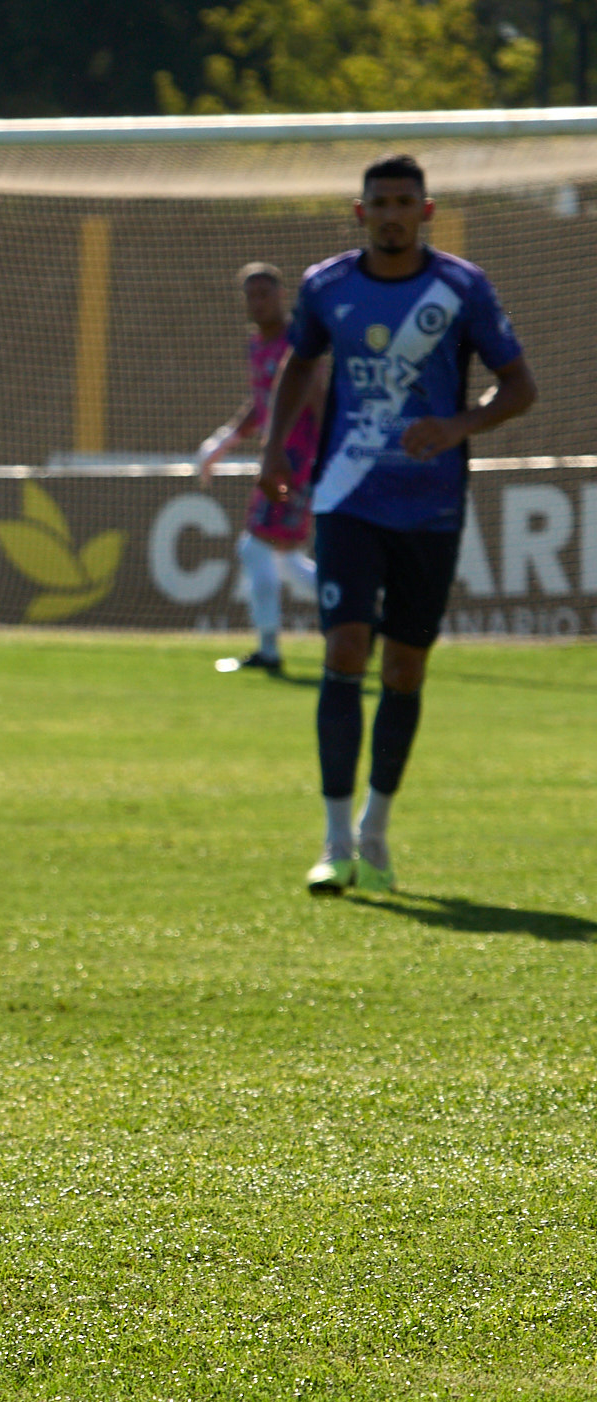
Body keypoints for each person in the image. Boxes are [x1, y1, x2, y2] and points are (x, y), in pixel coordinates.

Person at [257, 156, 536, 895]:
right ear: (358, 213)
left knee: (405, 668)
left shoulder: (462, 288)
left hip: (432, 504)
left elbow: (521, 385)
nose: (390, 213)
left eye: (403, 202)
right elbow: (298, 366)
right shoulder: (326, 286)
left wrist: (457, 425)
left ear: (427, 210)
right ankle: (332, 838)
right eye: (378, 201)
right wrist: (274, 453)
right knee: (347, 647)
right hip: (346, 494)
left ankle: (375, 834)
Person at [198, 262, 324, 674]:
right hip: (276, 466)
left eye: (264, 293)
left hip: (294, 466)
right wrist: (224, 441)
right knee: (284, 558)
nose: (257, 302)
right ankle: (362, 612)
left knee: (255, 548)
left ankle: (269, 652)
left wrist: (323, 458)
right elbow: (263, 404)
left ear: (281, 296)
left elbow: (318, 397)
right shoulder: (258, 345)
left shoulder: (298, 342)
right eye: (250, 295)